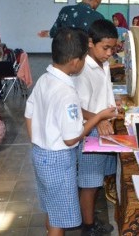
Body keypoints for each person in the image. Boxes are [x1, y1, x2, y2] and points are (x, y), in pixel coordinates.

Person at [25, 28, 117, 236]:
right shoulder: (67, 93)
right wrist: (99, 116)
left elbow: (29, 114)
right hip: (58, 160)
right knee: (60, 220)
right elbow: (71, 138)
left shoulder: (44, 80)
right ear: (76, 61)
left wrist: (38, 141)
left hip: (41, 154)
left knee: (52, 208)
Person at [72, 19, 118, 235]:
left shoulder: (104, 63)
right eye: (105, 48)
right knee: (89, 183)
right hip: (90, 130)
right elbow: (78, 108)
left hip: (103, 126)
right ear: (90, 43)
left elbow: (103, 95)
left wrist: (113, 110)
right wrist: (99, 119)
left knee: (97, 179)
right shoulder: (83, 70)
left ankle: (91, 220)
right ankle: (87, 227)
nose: (109, 53)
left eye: (113, 48)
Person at [38, 0, 105, 37]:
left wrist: (48, 33)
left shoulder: (65, 10)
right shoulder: (98, 17)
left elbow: (55, 31)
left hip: (63, 50)